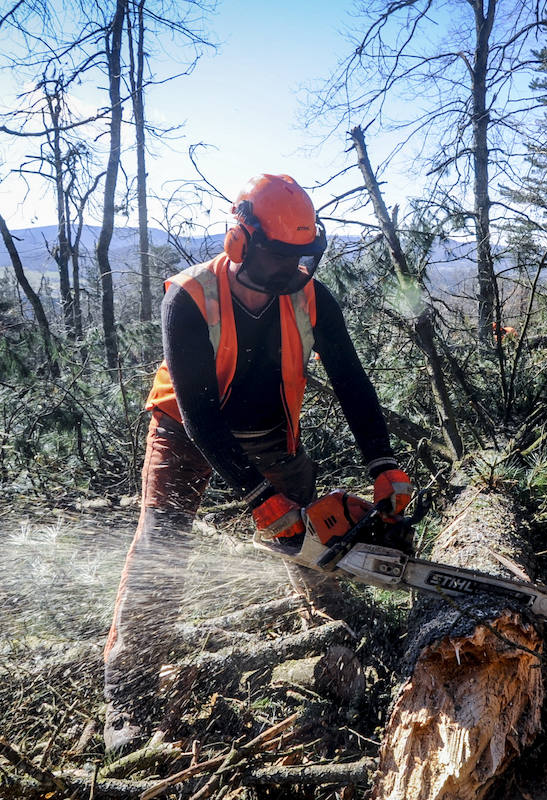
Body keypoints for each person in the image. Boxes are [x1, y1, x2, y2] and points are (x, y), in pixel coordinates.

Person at [103, 173, 413, 755]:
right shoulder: (189, 298)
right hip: (186, 432)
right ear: (239, 241)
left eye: (300, 258)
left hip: (271, 431)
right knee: (161, 549)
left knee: (307, 535)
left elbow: (351, 382)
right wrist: (256, 496)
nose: (289, 272)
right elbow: (199, 415)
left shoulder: (310, 296)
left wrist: (383, 462)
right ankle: (129, 695)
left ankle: (331, 628)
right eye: (278, 258)